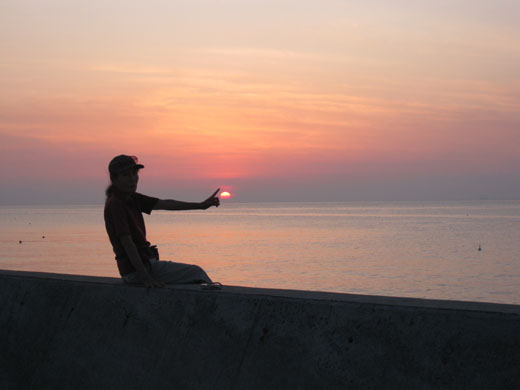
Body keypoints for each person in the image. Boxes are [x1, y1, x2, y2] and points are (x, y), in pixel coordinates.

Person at [104, 154, 221, 289]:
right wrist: (146, 277)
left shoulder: (132, 198)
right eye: (126, 175)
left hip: (145, 266)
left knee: (192, 279)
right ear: (114, 179)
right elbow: (127, 242)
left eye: (134, 173)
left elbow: (166, 204)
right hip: (137, 271)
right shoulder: (116, 204)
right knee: (197, 273)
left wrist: (200, 206)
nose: (132, 179)